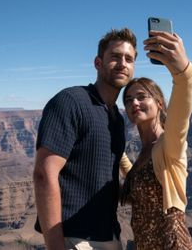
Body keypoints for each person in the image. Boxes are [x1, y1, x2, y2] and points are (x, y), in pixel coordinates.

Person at [33, 28, 137, 250]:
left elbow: (101, 180)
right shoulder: (71, 101)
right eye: (115, 56)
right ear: (98, 63)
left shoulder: (116, 119)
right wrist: (55, 245)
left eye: (129, 59)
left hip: (109, 236)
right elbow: (43, 174)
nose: (122, 63)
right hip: (76, 239)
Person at [119, 30, 192, 249]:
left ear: (159, 103)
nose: (134, 103)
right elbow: (133, 171)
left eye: (142, 96)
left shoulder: (169, 145)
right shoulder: (146, 151)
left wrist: (184, 74)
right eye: (129, 100)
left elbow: (181, 115)